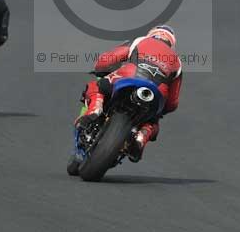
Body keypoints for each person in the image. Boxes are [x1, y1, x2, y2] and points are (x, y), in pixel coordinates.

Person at [75, 25, 182, 163]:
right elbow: (173, 102)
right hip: (157, 92)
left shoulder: (140, 40)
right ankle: (141, 137)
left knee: (98, 86)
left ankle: (95, 108)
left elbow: (109, 59)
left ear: (152, 34)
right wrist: (162, 110)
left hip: (130, 76)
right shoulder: (177, 61)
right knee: (153, 122)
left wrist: (100, 69)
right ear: (171, 43)